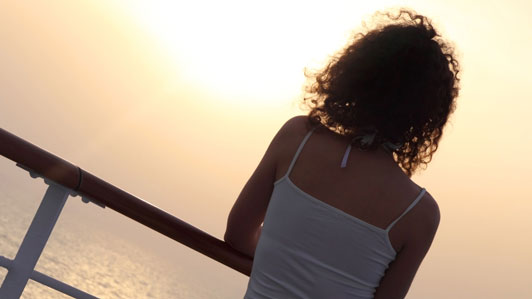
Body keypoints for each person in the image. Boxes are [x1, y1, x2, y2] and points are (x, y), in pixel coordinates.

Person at [225, 8, 460, 299]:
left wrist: (284, 260)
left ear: (356, 73)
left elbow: (237, 236)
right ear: (426, 116)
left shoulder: (297, 138)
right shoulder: (420, 214)